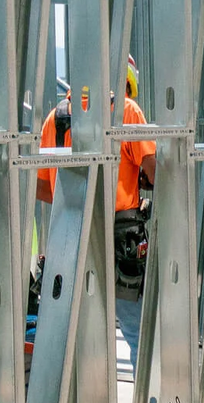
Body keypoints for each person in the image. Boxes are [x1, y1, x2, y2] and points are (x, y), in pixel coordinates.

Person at [36, 57, 155, 358]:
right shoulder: (126, 110)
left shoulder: (55, 117)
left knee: (71, 335)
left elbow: (42, 185)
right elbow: (154, 170)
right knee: (140, 332)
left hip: (67, 234)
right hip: (117, 239)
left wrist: (75, 198)